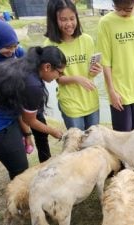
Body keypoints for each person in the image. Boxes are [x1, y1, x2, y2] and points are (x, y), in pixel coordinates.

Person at [0, 46, 65, 179]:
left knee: (17, 155)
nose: (60, 76)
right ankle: (18, 196)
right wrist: (53, 131)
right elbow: (30, 120)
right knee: (20, 168)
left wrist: (27, 134)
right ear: (47, 67)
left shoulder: (25, 65)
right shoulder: (33, 85)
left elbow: (18, 109)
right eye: (60, 72)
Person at [44, 0, 103, 130]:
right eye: (63, 19)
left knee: (93, 143)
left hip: (91, 100)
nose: (69, 24)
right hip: (71, 105)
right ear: (54, 20)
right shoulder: (50, 45)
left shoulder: (86, 40)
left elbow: (90, 72)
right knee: (76, 143)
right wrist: (77, 78)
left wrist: (96, 70)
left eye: (72, 18)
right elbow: (56, 78)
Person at [97, 0, 134, 131]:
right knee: (122, 137)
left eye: (127, 9)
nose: (122, 12)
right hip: (119, 93)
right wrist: (111, 91)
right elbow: (105, 61)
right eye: (118, 8)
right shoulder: (105, 23)